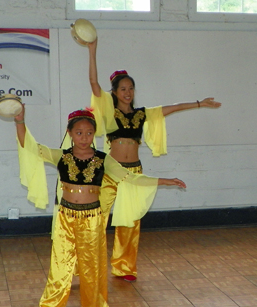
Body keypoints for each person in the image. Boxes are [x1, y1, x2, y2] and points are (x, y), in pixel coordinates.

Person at [14, 107, 186, 307]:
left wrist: (163, 180)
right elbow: (30, 146)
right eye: (79, 132)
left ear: (94, 134)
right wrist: (20, 121)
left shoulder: (104, 159)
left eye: (89, 133)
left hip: (93, 222)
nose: (84, 137)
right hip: (66, 220)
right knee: (59, 271)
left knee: (92, 270)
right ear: (70, 133)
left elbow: (130, 177)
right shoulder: (61, 157)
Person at [86, 39, 221, 282]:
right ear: (114, 92)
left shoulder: (141, 114)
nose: (128, 93)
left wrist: (200, 103)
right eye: (123, 89)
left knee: (130, 222)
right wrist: (92, 49)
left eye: (131, 89)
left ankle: (124, 267)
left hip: (134, 173)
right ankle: (87, 266)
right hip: (111, 172)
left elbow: (174, 107)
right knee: (97, 218)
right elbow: (94, 83)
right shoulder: (108, 111)